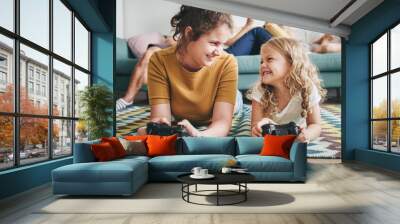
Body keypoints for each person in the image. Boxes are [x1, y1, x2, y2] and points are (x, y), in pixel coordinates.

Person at [138, 5, 241, 137]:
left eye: (223, 44)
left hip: (228, 99)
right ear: (189, 34)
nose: (219, 52)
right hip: (194, 106)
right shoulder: (159, 61)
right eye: (214, 43)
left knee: (236, 101)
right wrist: (158, 129)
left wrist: (199, 136)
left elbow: (222, 123)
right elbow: (161, 118)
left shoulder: (228, 62)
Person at [249, 37, 326, 143]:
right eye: (261, 61)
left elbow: (316, 125)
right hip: (272, 132)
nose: (262, 65)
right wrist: (258, 128)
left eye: (269, 59)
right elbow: (254, 126)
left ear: (291, 63)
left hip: (296, 131)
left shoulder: (307, 88)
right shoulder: (260, 90)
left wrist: (307, 134)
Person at [116, 34, 176, 111]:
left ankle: (127, 99)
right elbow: (169, 41)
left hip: (178, 55)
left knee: (151, 55)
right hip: (164, 54)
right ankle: (127, 99)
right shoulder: (162, 43)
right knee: (151, 51)